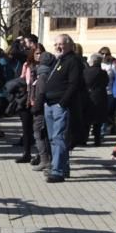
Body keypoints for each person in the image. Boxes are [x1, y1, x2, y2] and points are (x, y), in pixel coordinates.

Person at [43, 34, 84, 183]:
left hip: (60, 105)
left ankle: (57, 171)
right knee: (54, 138)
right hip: (49, 104)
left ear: (69, 45)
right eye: (56, 45)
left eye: (61, 44)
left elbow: (74, 84)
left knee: (59, 137)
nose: (58, 47)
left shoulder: (73, 61)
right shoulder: (58, 61)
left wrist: (62, 102)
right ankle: (62, 167)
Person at [83, 53, 109, 146]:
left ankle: (84, 140)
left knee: (87, 120)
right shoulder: (103, 73)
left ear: (93, 61)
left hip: (88, 97)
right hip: (100, 97)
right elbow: (106, 83)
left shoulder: (86, 71)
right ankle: (97, 140)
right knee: (98, 122)